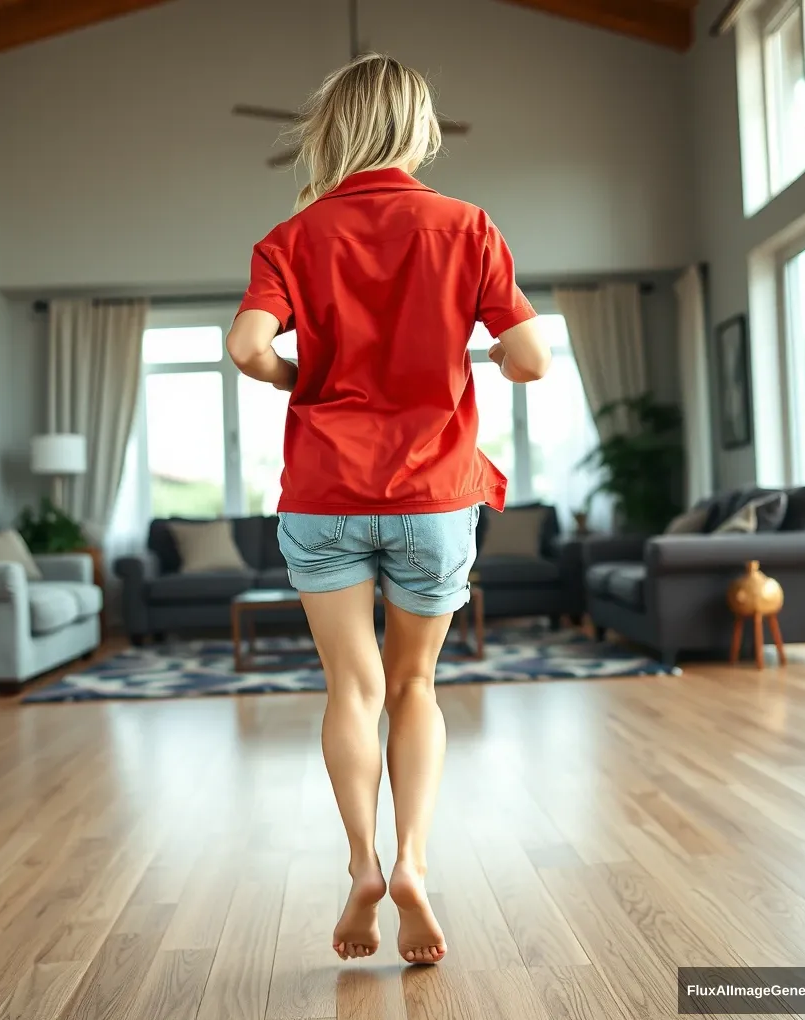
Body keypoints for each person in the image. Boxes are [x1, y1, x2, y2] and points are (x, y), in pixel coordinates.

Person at [226, 53, 549, 965]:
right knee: (413, 688)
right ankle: (411, 861)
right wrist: (459, 360)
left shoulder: (294, 236)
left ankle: (362, 865)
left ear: (333, 129)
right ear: (417, 127)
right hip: (432, 495)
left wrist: (307, 382)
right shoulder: (466, 226)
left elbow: (248, 348)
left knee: (351, 690)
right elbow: (529, 361)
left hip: (323, 492)